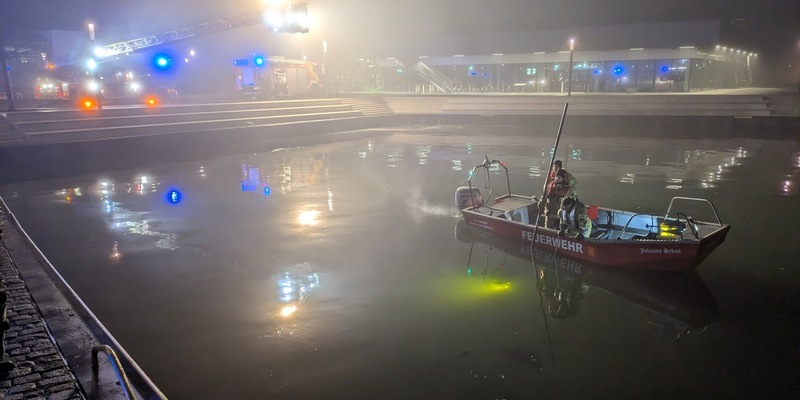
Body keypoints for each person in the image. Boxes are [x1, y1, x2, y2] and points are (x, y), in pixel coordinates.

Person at [542, 160, 577, 228]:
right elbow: (546, 192)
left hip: (562, 206)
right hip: (551, 204)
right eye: (553, 166)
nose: (554, 168)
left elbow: (571, 191)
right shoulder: (551, 179)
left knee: (562, 221)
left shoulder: (566, 179)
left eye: (556, 167)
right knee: (548, 222)